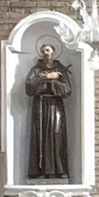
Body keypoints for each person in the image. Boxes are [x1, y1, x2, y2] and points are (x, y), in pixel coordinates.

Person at [26, 43, 72, 179]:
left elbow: (67, 90)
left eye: (48, 50)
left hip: (55, 105)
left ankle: (59, 169)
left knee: (56, 135)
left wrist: (53, 82)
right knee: (40, 136)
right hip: (40, 105)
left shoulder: (61, 70)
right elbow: (29, 86)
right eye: (43, 51)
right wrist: (46, 77)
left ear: (53, 52)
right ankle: (40, 171)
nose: (45, 52)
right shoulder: (35, 69)